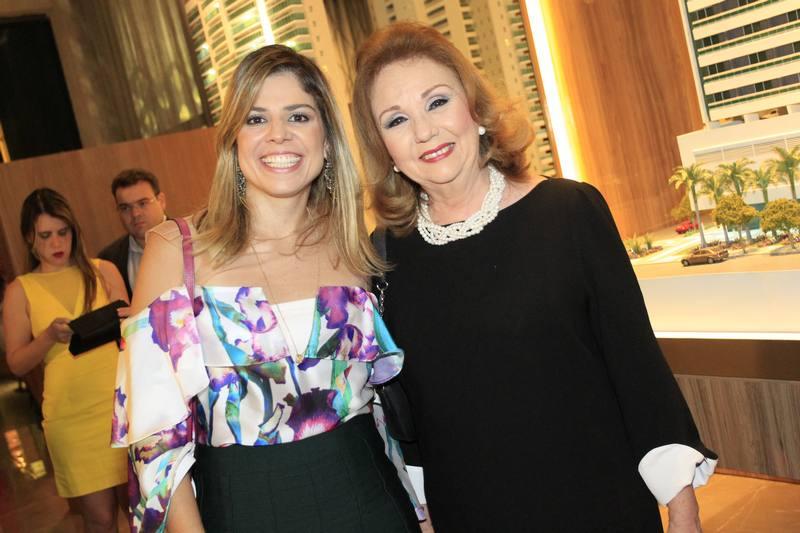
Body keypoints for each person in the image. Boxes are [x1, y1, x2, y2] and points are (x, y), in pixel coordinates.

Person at [352, 22, 717, 532]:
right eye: (397, 120)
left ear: (474, 108)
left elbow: (637, 370)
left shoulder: (568, 213)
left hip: (597, 504)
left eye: (437, 102)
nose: (424, 132)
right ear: (384, 147)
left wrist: (682, 508)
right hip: (470, 514)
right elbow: (408, 414)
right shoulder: (384, 258)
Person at [111, 44, 423, 533]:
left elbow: (381, 409)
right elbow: (154, 444)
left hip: (372, 500)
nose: (279, 134)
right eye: (256, 119)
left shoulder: (354, 248)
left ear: (326, 140)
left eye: (298, 116)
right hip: (243, 508)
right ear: (233, 141)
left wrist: (420, 514)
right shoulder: (174, 249)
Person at [3, 188, 129, 532]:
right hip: (71, 419)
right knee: (100, 519)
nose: (57, 243)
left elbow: (132, 333)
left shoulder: (103, 271)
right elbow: (17, 363)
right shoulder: (20, 290)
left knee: (141, 513)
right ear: (29, 238)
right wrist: (47, 337)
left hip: (121, 407)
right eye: (45, 235)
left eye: (63, 232)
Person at [99, 168, 167, 299]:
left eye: (142, 203)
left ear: (161, 201)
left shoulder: (192, 238)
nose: (135, 214)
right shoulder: (109, 260)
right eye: (125, 208)